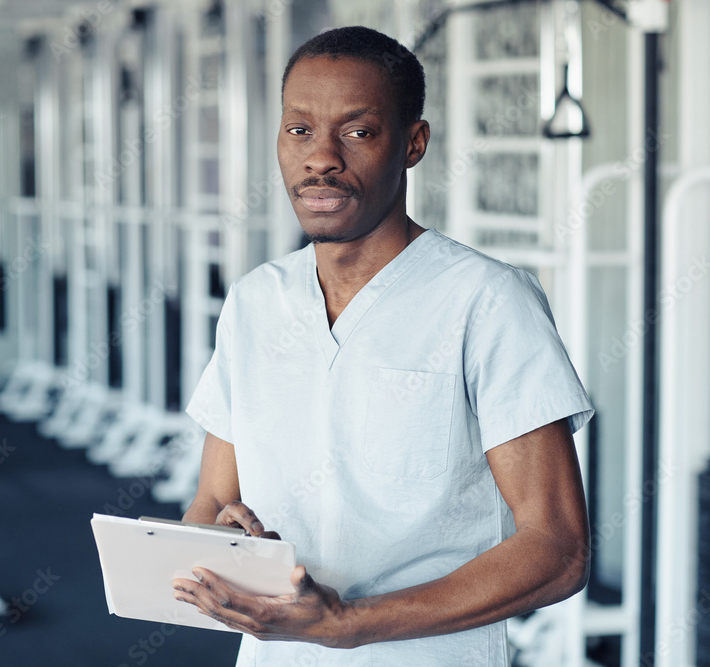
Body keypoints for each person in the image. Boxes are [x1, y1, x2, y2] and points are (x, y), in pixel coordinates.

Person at [172, 26, 594, 666]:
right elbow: (211, 502)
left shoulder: (488, 300)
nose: (321, 158)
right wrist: (216, 546)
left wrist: (348, 623)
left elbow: (557, 548)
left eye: (358, 132)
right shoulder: (255, 302)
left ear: (413, 144)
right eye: (299, 131)